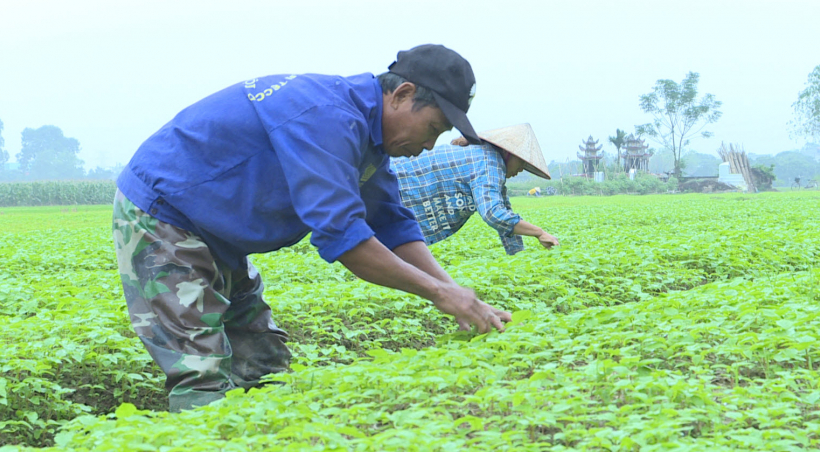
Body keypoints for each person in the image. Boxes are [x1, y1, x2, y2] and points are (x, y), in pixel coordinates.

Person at [112, 44, 511, 412]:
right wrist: (441, 294)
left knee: (263, 363)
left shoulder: (367, 134)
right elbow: (344, 237)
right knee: (201, 373)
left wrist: (455, 292)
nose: (429, 145)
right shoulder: (326, 117)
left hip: (219, 228)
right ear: (403, 94)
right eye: (433, 128)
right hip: (166, 214)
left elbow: (391, 223)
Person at [392, 123, 560, 255]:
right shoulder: (488, 163)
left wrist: (518, 257)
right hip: (391, 186)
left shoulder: (488, 162)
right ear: (509, 154)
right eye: (522, 163)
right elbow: (493, 214)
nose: (521, 170)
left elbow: (504, 214)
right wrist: (539, 233)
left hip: (392, 189)